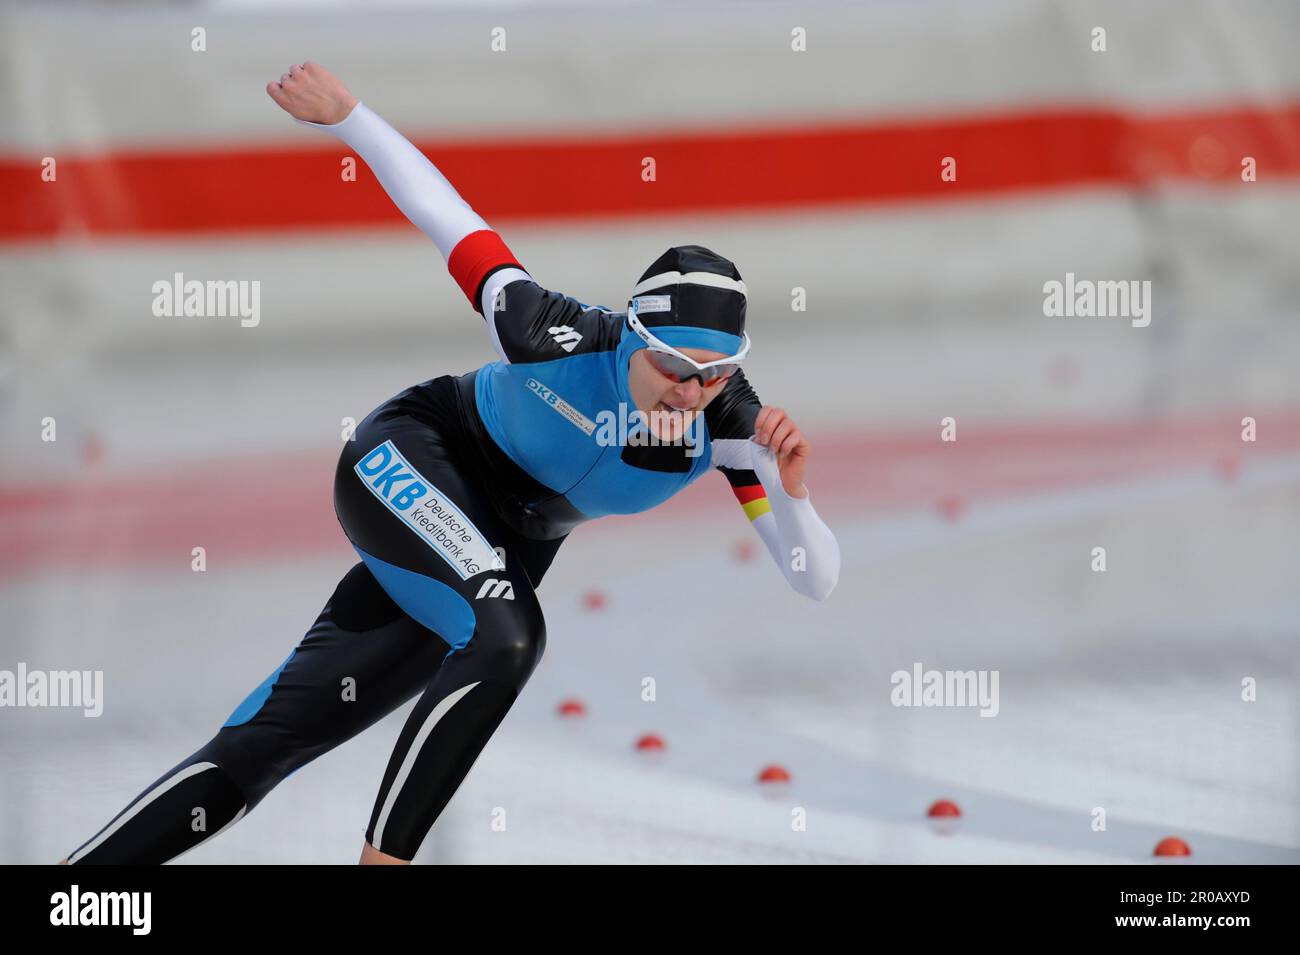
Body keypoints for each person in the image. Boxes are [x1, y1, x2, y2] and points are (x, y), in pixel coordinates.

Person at [61, 62, 840, 865]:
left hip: (490, 553)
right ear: (636, 336)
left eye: (711, 374)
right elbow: (448, 215)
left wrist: (797, 496)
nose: (690, 391)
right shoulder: (550, 332)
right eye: (674, 366)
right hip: (411, 460)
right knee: (508, 636)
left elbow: (813, 577)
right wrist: (349, 116)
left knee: (270, 740)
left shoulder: (731, 425)